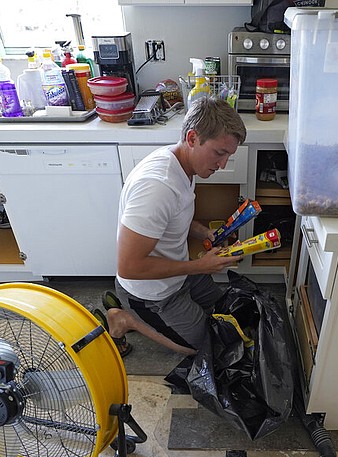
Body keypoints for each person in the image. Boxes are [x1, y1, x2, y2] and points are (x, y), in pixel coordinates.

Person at [95, 97, 247, 357]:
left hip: (178, 274)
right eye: (219, 153)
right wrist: (199, 266)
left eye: (228, 156)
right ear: (192, 138)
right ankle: (125, 318)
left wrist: (205, 234)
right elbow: (129, 267)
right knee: (200, 348)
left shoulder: (183, 165)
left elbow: (175, 218)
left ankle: (139, 312)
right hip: (151, 292)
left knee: (226, 310)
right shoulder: (157, 187)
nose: (222, 165)